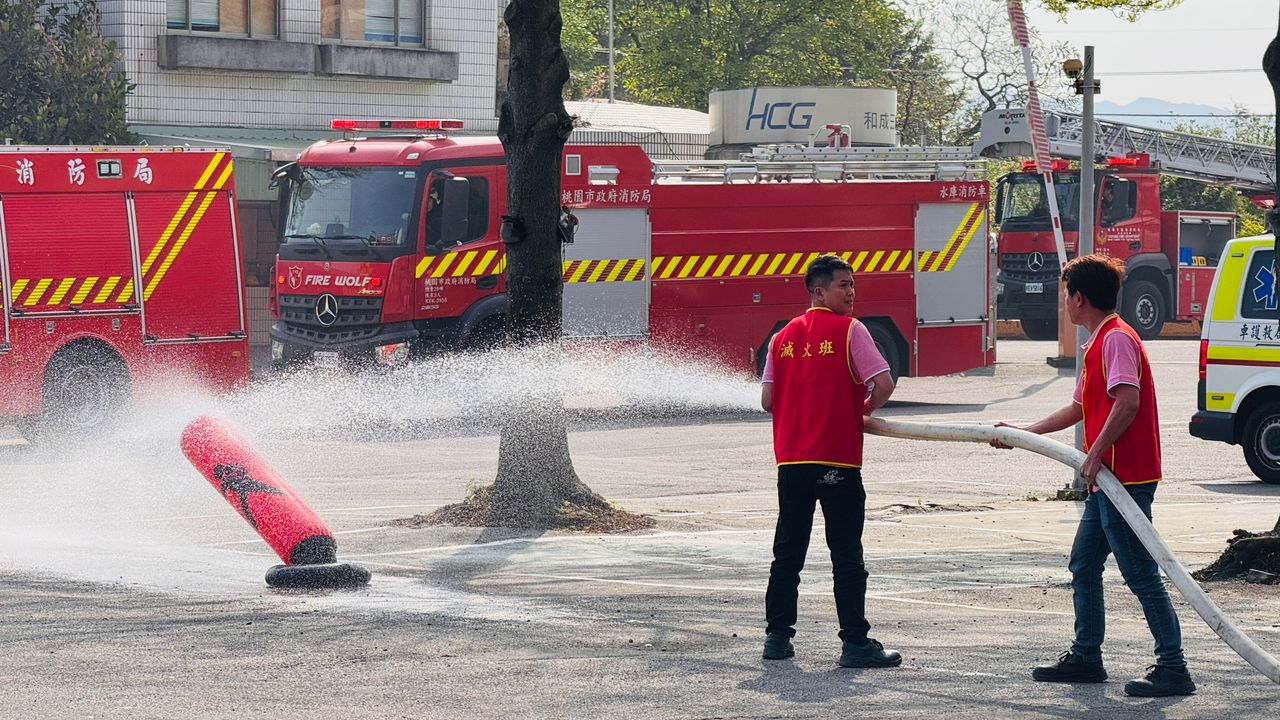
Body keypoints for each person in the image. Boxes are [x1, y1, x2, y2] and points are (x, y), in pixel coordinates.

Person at [991, 254, 1195, 697]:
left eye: (1067, 295)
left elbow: (1127, 401)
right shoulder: (1098, 343)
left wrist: (1096, 452)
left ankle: (1173, 666)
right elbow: (1080, 408)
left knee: (1139, 573)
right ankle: (1086, 655)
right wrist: (1022, 433)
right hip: (1108, 480)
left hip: (1127, 479)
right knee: (1084, 564)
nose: (1065, 303)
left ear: (1078, 298)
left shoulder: (1116, 340)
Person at [759, 254, 900, 669]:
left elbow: (767, 400)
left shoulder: (781, 338)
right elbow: (884, 383)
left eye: (853, 284)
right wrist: (862, 409)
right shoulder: (851, 331)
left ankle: (777, 638)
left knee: (788, 553)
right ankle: (855, 642)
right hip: (838, 460)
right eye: (843, 285)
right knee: (846, 554)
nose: (852, 292)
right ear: (819, 292)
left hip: (792, 463)